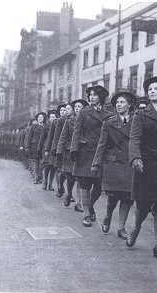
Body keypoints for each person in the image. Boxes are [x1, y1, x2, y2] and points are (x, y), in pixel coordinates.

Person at [127, 77, 157, 258]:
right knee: (143, 206)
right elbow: (135, 139)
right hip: (145, 166)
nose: (152, 91)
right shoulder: (141, 114)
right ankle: (136, 228)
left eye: (156, 88)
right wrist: (136, 158)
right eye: (150, 89)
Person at [92, 92, 136, 239]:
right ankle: (108, 216)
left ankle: (121, 228)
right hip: (114, 163)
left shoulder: (137, 122)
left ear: (129, 105)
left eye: (122, 102)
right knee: (113, 197)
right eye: (117, 102)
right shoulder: (109, 123)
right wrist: (96, 163)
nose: (118, 105)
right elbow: (102, 144)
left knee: (127, 198)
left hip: (130, 163)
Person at [70, 85, 113, 227]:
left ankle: (91, 205)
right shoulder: (84, 112)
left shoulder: (109, 114)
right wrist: (74, 149)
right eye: (90, 95)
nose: (92, 97)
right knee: (85, 183)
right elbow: (76, 131)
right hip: (85, 152)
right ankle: (86, 214)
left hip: (102, 153)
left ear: (101, 96)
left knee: (100, 185)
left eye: (95, 95)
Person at [57, 99, 88, 211]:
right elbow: (63, 137)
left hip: (83, 152)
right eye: (75, 106)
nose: (77, 108)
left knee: (80, 178)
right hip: (69, 152)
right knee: (70, 177)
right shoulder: (69, 121)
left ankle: (78, 203)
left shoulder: (88, 121)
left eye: (79, 106)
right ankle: (69, 194)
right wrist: (59, 151)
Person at [51, 104, 68, 197]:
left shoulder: (71, 120)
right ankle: (59, 187)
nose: (63, 112)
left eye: (65, 110)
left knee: (68, 172)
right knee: (59, 170)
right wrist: (54, 149)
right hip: (60, 148)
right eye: (61, 110)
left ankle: (67, 191)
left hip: (68, 148)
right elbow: (55, 136)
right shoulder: (57, 122)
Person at [39, 110, 57, 190]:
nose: (52, 119)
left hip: (55, 148)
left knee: (53, 167)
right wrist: (40, 149)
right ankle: (45, 181)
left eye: (53, 117)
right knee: (46, 166)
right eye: (50, 117)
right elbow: (42, 139)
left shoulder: (58, 125)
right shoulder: (46, 127)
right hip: (46, 148)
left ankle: (50, 184)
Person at [27, 112, 46, 184]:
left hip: (43, 147)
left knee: (42, 163)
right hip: (34, 146)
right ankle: (36, 178)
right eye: (38, 117)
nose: (40, 118)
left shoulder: (45, 127)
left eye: (41, 117)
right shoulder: (33, 126)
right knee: (36, 162)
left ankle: (40, 176)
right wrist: (27, 147)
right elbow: (29, 137)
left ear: (44, 118)